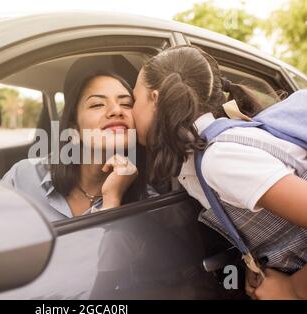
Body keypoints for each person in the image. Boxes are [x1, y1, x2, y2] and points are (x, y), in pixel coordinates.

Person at [127, 45, 307, 300]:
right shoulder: (199, 155)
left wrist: (294, 289)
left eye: (134, 100)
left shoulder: (219, 159)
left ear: (155, 99)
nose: (130, 111)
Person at [2, 56, 147, 221]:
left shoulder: (151, 202)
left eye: (127, 104)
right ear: (73, 126)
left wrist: (112, 199)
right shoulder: (23, 177)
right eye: (97, 104)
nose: (116, 110)